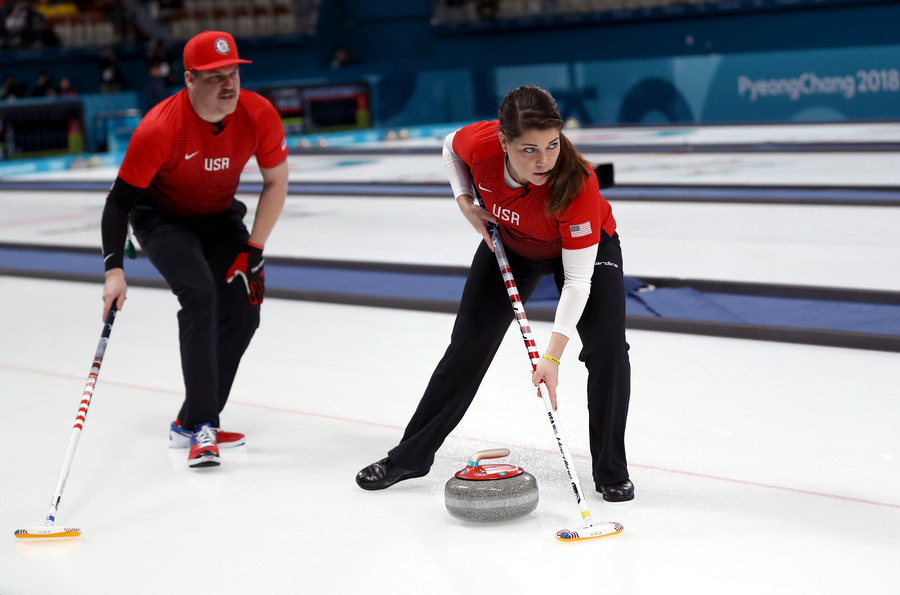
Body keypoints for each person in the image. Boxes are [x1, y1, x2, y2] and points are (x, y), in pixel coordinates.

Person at [356, 85, 634, 502]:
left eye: (552, 145)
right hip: (511, 246)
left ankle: (610, 469)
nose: (544, 160)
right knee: (467, 347)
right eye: (529, 149)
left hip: (583, 253)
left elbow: (577, 283)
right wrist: (464, 200)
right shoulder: (481, 144)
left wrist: (552, 355)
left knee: (608, 349)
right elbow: (450, 146)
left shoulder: (576, 183)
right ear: (503, 142)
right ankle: (409, 457)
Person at [100, 30, 289, 469]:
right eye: (213, 77)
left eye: (233, 73)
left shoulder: (258, 114)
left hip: (221, 218)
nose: (228, 84)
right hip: (162, 218)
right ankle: (204, 426)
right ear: (188, 80)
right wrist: (114, 270)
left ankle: (192, 418)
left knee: (244, 310)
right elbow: (118, 202)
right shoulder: (160, 128)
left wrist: (254, 248)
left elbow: (276, 180)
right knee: (200, 295)